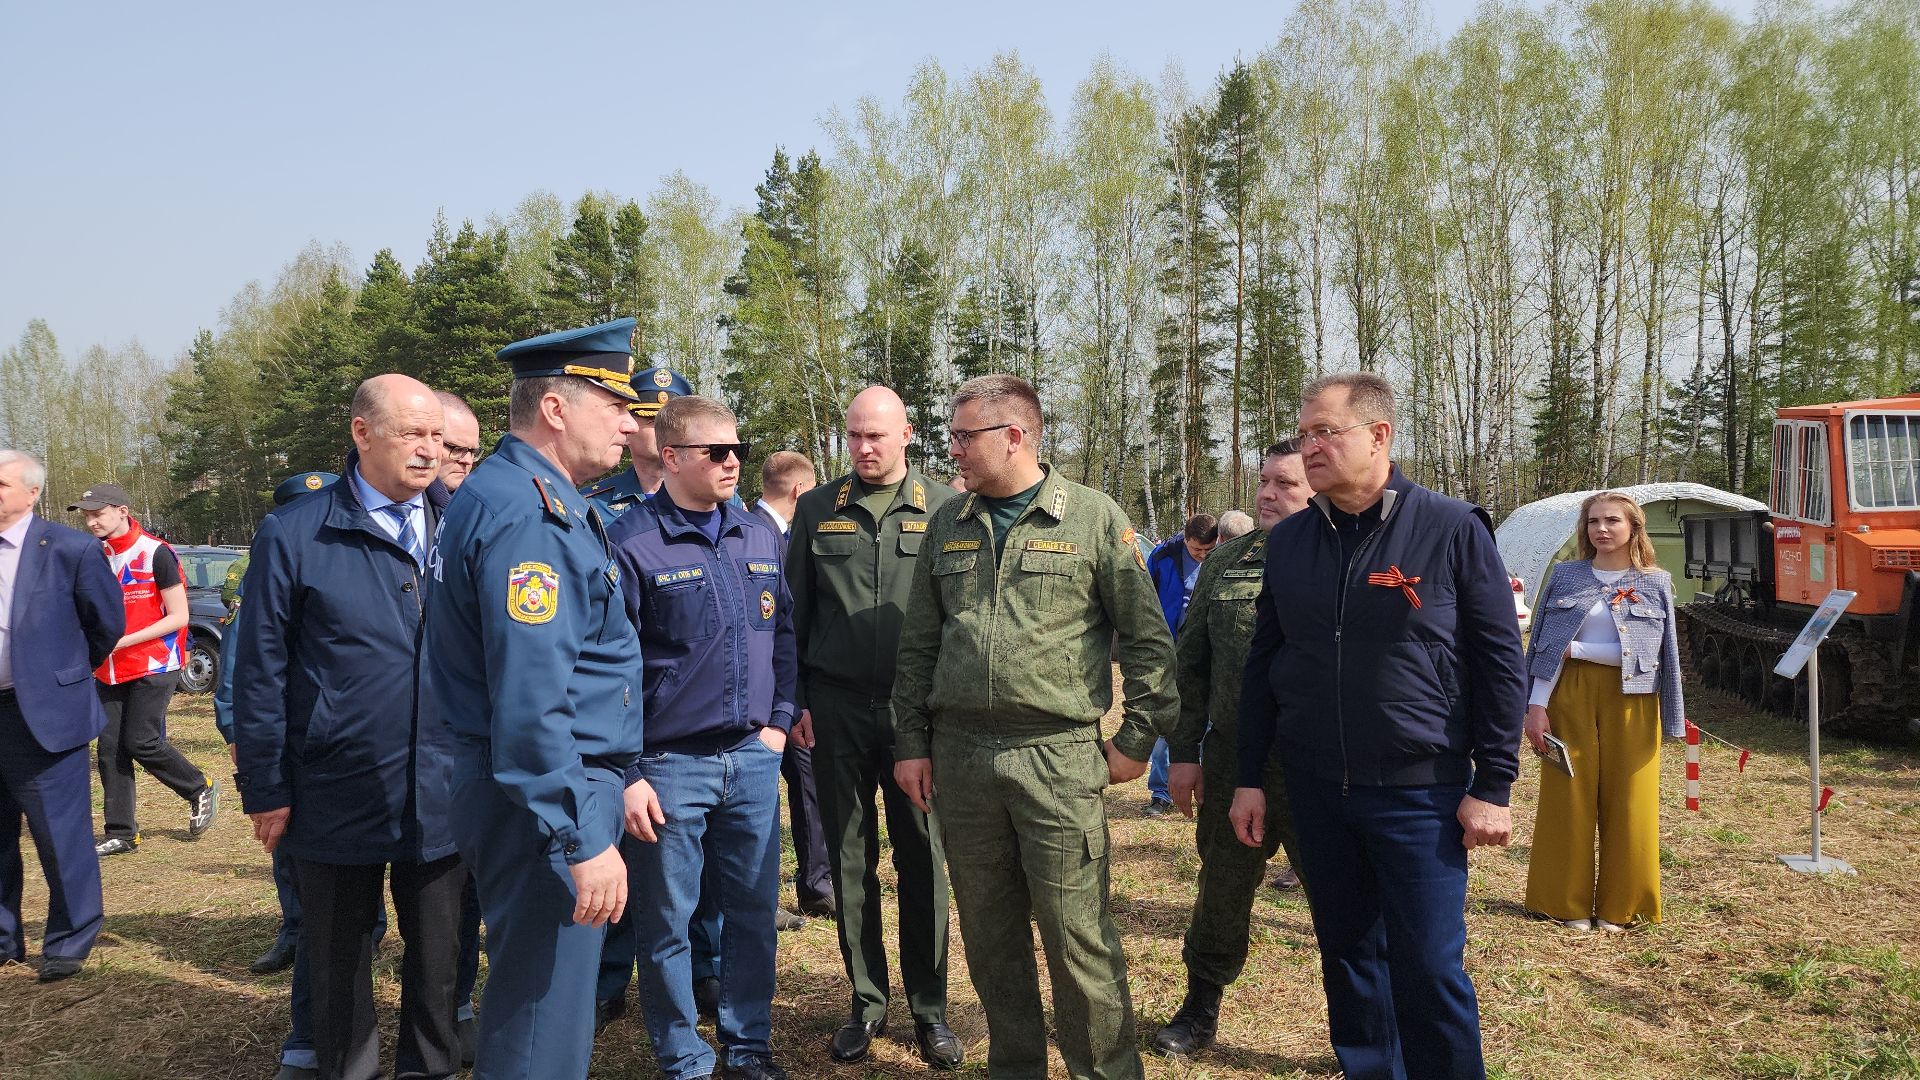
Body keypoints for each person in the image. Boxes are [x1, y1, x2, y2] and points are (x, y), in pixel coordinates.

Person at [1230, 373, 1526, 1080]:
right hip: (1318, 787)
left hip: (1419, 792)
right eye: (1304, 435)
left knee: (1427, 966)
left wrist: (1496, 784)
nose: (1310, 448)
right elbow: (1266, 660)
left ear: (1379, 436)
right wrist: (1248, 777)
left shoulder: (1451, 529)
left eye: (1324, 432)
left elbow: (1499, 664)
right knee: (1350, 959)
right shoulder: (1294, 540)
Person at [892, 374, 1178, 1080]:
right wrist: (910, 744)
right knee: (990, 940)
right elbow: (919, 646)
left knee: (1077, 940)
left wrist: (1136, 739)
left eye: (965, 437)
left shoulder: (1090, 518)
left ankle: (1104, 1071)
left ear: (1015, 435)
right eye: (951, 436)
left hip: (1055, 758)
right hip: (961, 762)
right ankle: (1016, 1067)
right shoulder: (947, 524)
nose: (951, 449)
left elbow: (1147, 641)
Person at [426, 317, 653, 1080]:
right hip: (544, 797)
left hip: (548, 785)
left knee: (542, 999)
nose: (630, 421)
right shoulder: (532, 515)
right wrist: (580, 836)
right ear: (556, 408)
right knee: (541, 1012)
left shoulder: (523, 494)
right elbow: (530, 698)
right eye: (613, 401)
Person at [233, 375, 464, 1080]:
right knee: (336, 960)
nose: (430, 453)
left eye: (439, 438)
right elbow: (261, 670)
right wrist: (266, 786)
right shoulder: (296, 532)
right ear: (363, 434)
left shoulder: (467, 524)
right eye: (413, 435)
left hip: (447, 780)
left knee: (442, 956)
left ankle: (428, 1068)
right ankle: (346, 1068)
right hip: (335, 781)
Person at [606, 394, 796, 1080]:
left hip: (749, 759)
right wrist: (626, 771)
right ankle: (684, 1056)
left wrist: (777, 727)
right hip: (668, 766)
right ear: (674, 457)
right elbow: (609, 665)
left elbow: (784, 638)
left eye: (739, 450)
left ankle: (748, 1045)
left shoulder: (758, 535)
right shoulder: (630, 542)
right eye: (717, 451)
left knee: (751, 912)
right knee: (666, 925)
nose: (733, 463)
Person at [784, 386, 962, 1070]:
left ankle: (930, 1009)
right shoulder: (813, 509)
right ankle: (865, 1003)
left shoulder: (948, 508)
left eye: (877, 436)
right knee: (850, 862)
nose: (863, 447)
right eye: (854, 435)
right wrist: (795, 697)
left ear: (908, 436)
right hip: (835, 709)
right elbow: (792, 616)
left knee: (922, 858)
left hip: (917, 716)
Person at [1153, 440, 1312, 1059]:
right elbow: (1190, 664)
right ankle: (1198, 1008)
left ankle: (1363, 1022)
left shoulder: (1344, 560)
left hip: (1315, 763)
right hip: (1234, 760)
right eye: (1263, 481)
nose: (1267, 494)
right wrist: (1185, 752)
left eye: (1285, 484)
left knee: (1341, 898)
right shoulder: (1227, 563)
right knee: (1221, 885)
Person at [1522, 492, 1686, 932]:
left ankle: (1623, 907)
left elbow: (1660, 656)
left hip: (1632, 700)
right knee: (1567, 794)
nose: (1602, 529)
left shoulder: (1655, 583)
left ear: (1634, 527)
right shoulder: (1565, 576)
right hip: (1568, 696)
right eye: (1594, 521)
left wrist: (1672, 717)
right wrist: (1535, 707)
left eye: (1613, 520)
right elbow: (1542, 647)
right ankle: (1564, 903)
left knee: (1631, 799)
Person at [0, 450, 124, 983]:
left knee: (59, 834)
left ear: (31, 493)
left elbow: (107, 625)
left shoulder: (70, 549)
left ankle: (70, 940)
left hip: (43, 715)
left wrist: (60, 679)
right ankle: (5, 939)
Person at [70, 482, 217, 857]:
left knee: (142, 742)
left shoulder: (156, 553)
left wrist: (123, 640)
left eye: (97, 513)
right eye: (86, 515)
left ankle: (198, 787)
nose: (91, 522)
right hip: (109, 667)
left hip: (155, 662)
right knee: (109, 749)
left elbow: (179, 617)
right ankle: (121, 832)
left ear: (122, 510)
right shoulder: (92, 555)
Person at [750, 450, 833, 926]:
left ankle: (809, 884)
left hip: (778, 694)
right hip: (776, 696)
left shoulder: (753, 528)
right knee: (800, 788)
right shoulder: (762, 537)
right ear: (801, 491)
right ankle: (814, 885)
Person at [431, 390, 487, 1065]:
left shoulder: (478, 520)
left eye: (472, 454)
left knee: (456, 896)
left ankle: (458, 1008)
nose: (457, 463)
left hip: (459, 743)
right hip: (371, 745)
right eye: (452, 450)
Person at [1142, 513, 1219, 817]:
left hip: (1209, 653)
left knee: (1208, 722)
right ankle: (1161, 792)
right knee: (1168, 721)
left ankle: (1202, 787)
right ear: (1186, 538)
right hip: (1169, 650)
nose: (1202, 556)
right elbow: (1144, 598)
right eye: (1197, 550)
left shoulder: (1221, 556)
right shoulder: (1162, 557)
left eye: (1208, 550)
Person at [581, 364, 687, 517]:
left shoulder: (715, 498)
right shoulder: (593, 505)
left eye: (675, 424)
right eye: (654, 422)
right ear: (628, 430)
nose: (668, 431)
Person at [437, 391, 484, 490]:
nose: (468, 461)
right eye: (457, 449)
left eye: (473, 452)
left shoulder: (480, 502)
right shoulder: (403, 502)